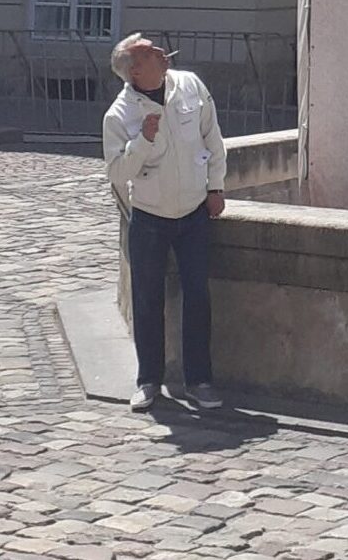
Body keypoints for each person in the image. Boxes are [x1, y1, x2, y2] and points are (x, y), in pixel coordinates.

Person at [104, 33, 227, 412]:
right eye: (150, 51)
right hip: (149, 216)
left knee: (197, 297)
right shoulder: (120, 115)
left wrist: (216, 187)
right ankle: (148, 380)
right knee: (146, 300)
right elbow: (116, 171)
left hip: (193, 212)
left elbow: (213, 136)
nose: (162, 51)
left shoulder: (189, 85)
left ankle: (199, 380)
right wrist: (142, 141)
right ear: (136, 71)